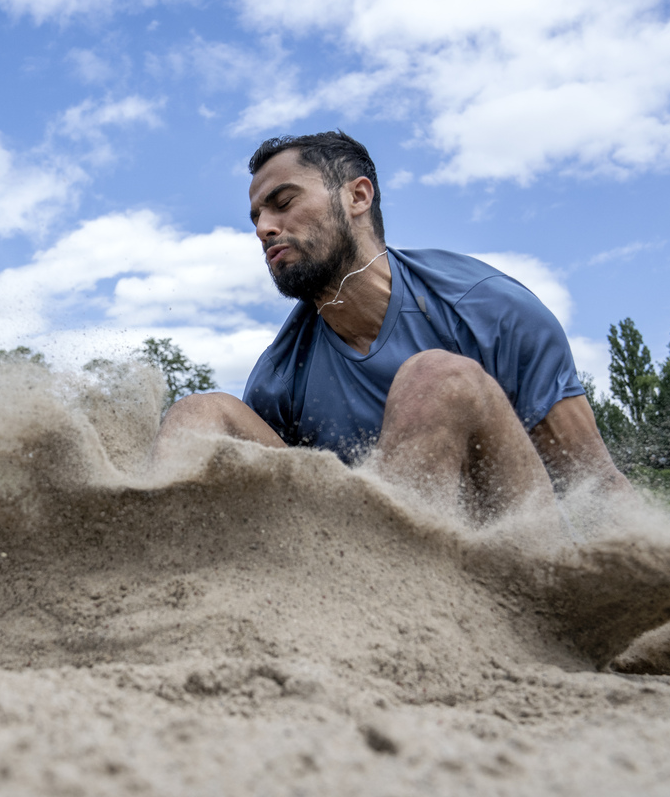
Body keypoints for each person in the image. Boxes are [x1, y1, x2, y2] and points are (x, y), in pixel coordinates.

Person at [155, 131, 633, 523]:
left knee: (437, 378)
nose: (264, 228)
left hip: (511, 562)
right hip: (347, 577)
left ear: (358, 196)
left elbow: (594, 482)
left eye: (283, 202)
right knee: (201, 412)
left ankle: (406, 599)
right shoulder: (280, 376)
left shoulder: (491, 310)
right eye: (257, 216)